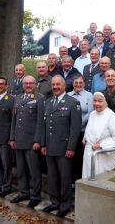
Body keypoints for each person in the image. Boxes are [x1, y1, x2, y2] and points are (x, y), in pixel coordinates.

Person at [41, 75, 82, 218]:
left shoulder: (73, 102)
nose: (55, 87)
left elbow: (75, 128)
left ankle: (65, 205)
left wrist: (71, 147)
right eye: (53, 85)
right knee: (52, 177)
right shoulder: (48, 102)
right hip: (50, 147)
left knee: (65, 178)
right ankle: (54, 202)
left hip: (64, 148)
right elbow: (44, 126)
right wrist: (44, 144)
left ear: (64, 86)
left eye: (58, 84)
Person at [9, 76, 45, 208]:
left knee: (34, 171)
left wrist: (37, 141)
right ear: (22, 85)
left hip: (31, 142)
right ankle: (24, 192)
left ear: (35, 84)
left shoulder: (40, 98)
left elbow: (40, 122)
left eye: (31, 83)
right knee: (21, 170)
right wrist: (12, 138)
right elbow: (14, 119)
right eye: (26, 83)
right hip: (19, 140)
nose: (28, 85)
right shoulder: (18, 98)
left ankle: (36, 196)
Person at [82, 92, 115, 179]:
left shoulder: (111, 117)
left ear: (106, 102)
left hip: (102, 156)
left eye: (100, 101)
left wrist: (101, 146)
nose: (96, 103)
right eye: (95, 101)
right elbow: (90, 129)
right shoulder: (93, 114)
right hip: (89, 153)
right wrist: (85, 138)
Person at [68, 75, 93, 186]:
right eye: (76, 82)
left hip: (82, 131)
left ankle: (77, 181)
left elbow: (90, 113)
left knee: (79, 158)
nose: (78, 85)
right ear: (73, 83)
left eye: (80, 82)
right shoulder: (68, 95)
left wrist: (77, 124)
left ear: (84, 84)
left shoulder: (89, 96)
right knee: (68, 157)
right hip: (68, 131)